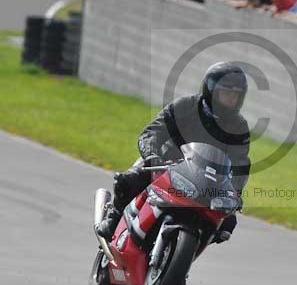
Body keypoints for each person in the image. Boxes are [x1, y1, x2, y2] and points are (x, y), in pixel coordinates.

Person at [96, 62, 251, 244]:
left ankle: (183, 256)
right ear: (211, 91)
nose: (231, 100)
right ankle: (114, 218)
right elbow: (151, 133)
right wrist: (153, 157)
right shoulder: (184, 107)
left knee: (227, 223)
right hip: (165, 166)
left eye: (235, 96)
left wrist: (234, 192)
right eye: (226, 94)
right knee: (129, 179)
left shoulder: (239, 127)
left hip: (206, 182)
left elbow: (240, 164)